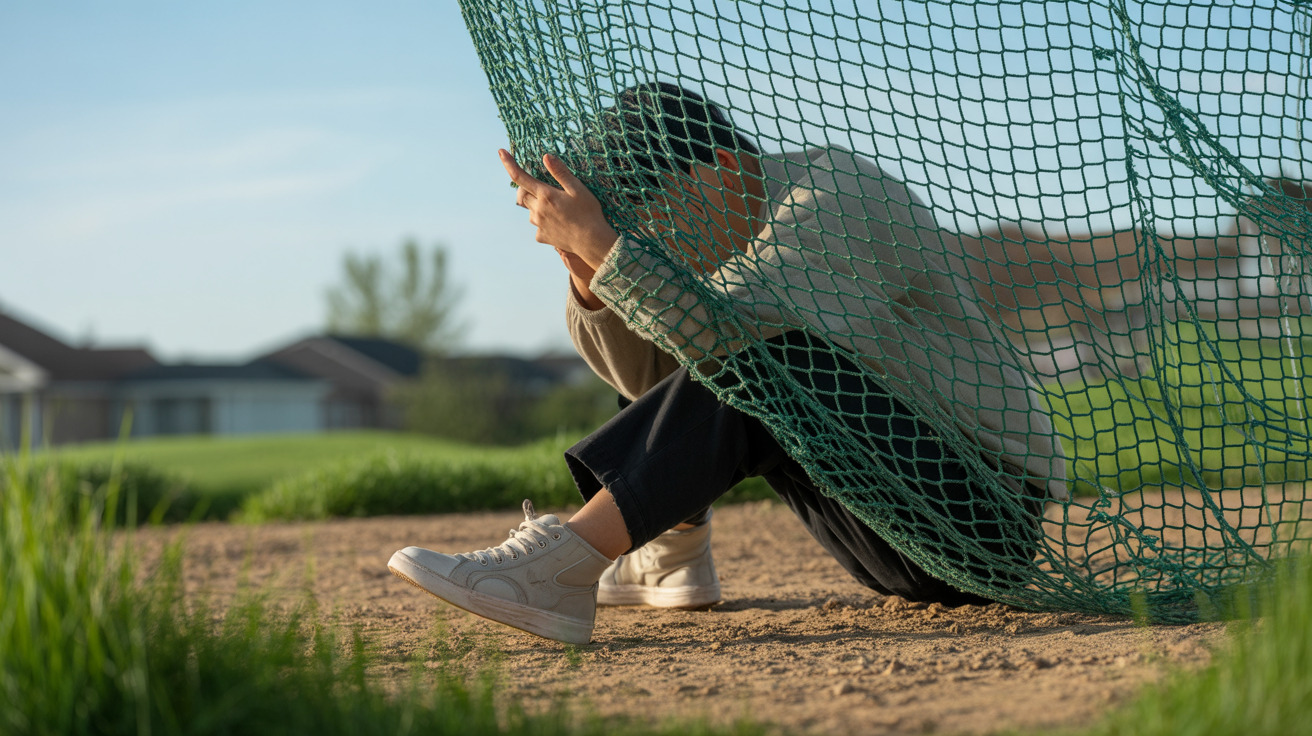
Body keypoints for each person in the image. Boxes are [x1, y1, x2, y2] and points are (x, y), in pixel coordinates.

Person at [388, 82, 1067, 646]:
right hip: (889, 535)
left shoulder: (837, 194)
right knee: (689, 334)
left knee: (763, 354)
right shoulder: (730, 248)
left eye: (656, 217)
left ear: (720, 169)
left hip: (982, 517)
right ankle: (669, 558)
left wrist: (606, 247)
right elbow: (647, 381)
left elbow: (735, 339)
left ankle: (564, 563)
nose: (656, 238)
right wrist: (586, 269)